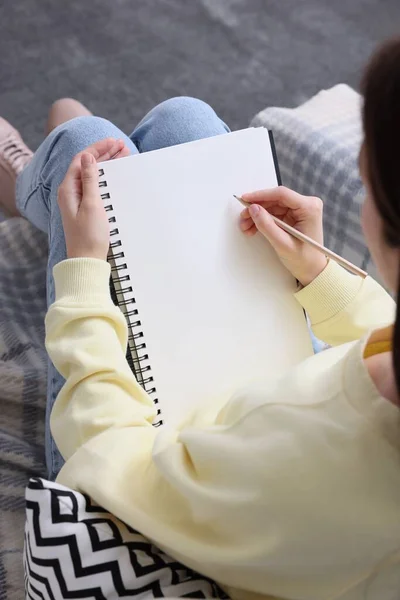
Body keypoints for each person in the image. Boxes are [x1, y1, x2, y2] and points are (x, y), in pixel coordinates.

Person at [2, 38, 400, 598]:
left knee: (83, 145)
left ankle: (31, 184)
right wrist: (320, 273)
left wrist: (84, 271)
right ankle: (60, 183)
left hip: (149, 487)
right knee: (182, 120)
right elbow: (384, 333)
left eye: (368, 187)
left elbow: (115, 463)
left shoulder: (329, 448)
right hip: (253, 421)